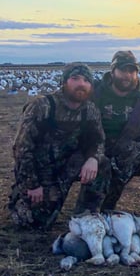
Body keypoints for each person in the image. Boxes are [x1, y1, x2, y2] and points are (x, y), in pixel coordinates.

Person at [8, 63, 110, 229]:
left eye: (86, 80)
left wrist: (93, 158)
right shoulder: (43, 106)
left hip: (68, 166)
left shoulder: (90, 110)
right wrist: (32, 185)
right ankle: (20, 197)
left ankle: (85, 215)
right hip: (41, 173)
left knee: (103, 163)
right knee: (34, 222)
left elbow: (98, 140)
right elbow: (21, 149)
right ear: (64, 82)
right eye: (75, 78)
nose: (81, 84)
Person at [88, 50, 140, 215]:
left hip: (129, 154)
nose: (127, 75)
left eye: (132, 71)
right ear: (113, 71)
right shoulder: (96, 94)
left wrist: (137, 149)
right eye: (123, 70)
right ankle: (92, 208)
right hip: (98, 152)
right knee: (99, 201)